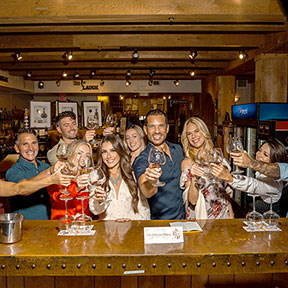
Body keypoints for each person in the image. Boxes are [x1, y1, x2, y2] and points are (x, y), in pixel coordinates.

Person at [212, 138, 287, 215]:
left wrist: (229, 178)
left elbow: (254, 185)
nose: (259, 155)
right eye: (260, 150)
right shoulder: (260, 173)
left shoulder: (275, 183)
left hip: (269, 220)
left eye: (265, 154)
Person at [133, 109, 185, 220]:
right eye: (152, 127)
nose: (157, 131)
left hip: (184, 219)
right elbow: (146, 191)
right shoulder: (142, 159)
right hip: (160, 224)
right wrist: (151, 182)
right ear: (145, 130)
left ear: (167, 128)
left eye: (161, 126)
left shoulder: (178, 149)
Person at [180, 117, 234, 220]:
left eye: (196, 131)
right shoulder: (187, 163)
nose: (193, 136)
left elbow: (224, 190)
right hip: (201, 216)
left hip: (223, 214)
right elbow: (192, 201)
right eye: (189, 134)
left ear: (203, 131)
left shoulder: (216, 157)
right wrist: (194, 178)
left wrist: (231, 213)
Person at [89, 134, 150, 220]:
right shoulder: (96, 176)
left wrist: (132, 222)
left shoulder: (132, 174)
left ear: (120, 152)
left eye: (113, 150)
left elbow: (144, 209)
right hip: (107, 230)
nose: (109, 156)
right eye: (104, 152)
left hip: (131, 230)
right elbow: (95, 211)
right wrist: (99, 200)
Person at [5, 128, 51, 219]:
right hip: (26, 226)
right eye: (25, 144)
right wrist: (49, 177)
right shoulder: (13, 172)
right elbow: (23, 188)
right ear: (17, 148)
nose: (31, 148)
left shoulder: (45, 167)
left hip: (49, 223)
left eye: (34, 143)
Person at [47, 140, 93, 220]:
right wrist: (77, 188)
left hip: (81, 226)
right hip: (61, 224)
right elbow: (57, 197)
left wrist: (84, 216)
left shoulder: (88, 177)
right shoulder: (58, 172)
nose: (84, 158)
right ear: (70, 154)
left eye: (87, 155)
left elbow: (89, 208)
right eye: (79, 153)